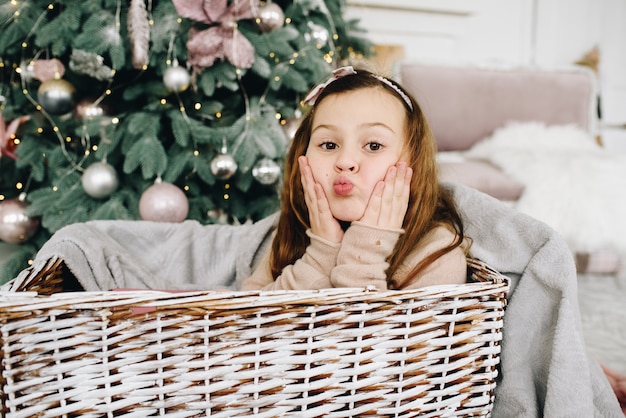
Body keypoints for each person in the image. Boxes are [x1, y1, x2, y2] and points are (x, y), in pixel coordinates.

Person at [241, 66, 470, 291]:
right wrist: (321, 254)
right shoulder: (292, 231)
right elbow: (249, 317)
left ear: (414, 161)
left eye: (373, 145)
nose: (345, 161)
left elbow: (369, 330)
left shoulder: (437, 253)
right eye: (329, 145)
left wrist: (366, 251)